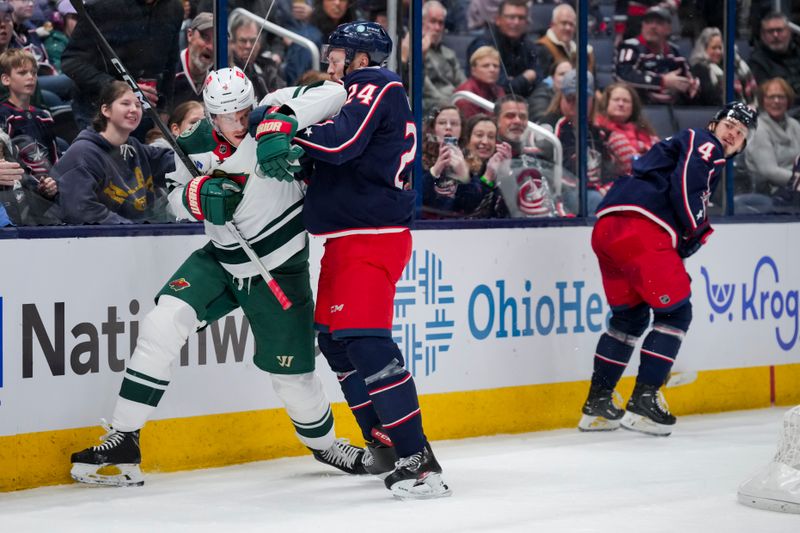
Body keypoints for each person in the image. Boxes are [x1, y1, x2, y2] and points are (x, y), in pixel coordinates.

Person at [69, 66, 367, 487]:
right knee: (161, 324)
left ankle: (325, 444)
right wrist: (196, 197)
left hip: (279, 269)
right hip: (221, 258)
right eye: (230, 116)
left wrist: (280, 126)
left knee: (292, 377)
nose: (241, 122)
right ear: (210, 115)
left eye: (245, 110)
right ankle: (126, 435)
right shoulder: (191, 144)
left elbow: (334, 92)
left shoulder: (271, 114)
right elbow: (172, 198)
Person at [251, 21, 451, 499]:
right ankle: (385, 440)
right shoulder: (358, 91)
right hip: (346, 239)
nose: (331, 60)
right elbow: (341, 154)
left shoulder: (374, 83)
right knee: (337, 344)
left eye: (337, 52)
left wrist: (288, 131)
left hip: (372, 237)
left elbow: (340, 142)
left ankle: (419, 459)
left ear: (360, 57)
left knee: (366, 344)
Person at [578, 102, 757, 436]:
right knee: (676, 314)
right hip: (642, 226)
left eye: (741, 133)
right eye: (731, 125)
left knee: (628, 320)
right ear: (714, 124)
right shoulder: (705, 143)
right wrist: (696, 230)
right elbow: (688, 184)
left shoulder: (687, 143)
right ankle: (644, 402)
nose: (733, 134)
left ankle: (598, 405)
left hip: (608, 226)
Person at [53, 81, 174, 224]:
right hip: (98, 242)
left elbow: (171, 163)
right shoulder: (83, 154)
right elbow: (82, 211)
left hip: (136, 238)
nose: (134, 109)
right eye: (125, 103)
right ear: (106, 110)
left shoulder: (134, 147)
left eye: (138, 105)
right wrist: (135, 231)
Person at [61, 0, 183, 132]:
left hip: (146, 112)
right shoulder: (102, 6)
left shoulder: (173, 8)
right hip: (98, 111)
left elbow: (171, 64)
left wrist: (163, 113)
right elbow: (71, 61)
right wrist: (119, 88)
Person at [0, 48, 60, 191]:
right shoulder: (4, 115)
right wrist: (36, 185)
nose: (30, 77)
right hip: (21, 190)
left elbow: (55, 158)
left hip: (50, 186)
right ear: (6, 79)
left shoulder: (44, 116)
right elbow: (7, 161)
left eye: (33, 73)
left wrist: (55, 183)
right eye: (22, 73)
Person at [615, 6, 698, 105]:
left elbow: (688, 77)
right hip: (640, 107)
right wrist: (662, 81)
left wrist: (690, 85)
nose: (653, 26)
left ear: (668, 29)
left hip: (671, 107)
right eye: (648, 22)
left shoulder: (674, 51)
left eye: (659, 23)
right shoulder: (630, 47)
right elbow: (624, 76)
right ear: (642, 26)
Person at [466, 0, 539, 98]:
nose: (516, 22)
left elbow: (539, 79)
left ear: (526, 22)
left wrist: (514, 81)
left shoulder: (528, 44)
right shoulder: (484, 45)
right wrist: (525, 78)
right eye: (511, 17)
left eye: (521, 18)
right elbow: (499, 87)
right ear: (498, 19)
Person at [743, 78, 800, 196]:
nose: (776, 101)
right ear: (763, 101)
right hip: (771, 192)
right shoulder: (759, 129)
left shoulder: (794, 125)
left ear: (788, 100)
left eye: (781, 97)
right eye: (771, 97)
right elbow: (769, 171)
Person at [594, 81, 659, 175]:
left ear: (633, 107)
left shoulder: (645, 132)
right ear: (606, 103)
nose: (621, 104)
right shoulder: (599, 130)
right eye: (616, 99)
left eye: (626, 101)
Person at [421, 105, 473, 217]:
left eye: (454, 123)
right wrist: (435, 170)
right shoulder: (419, 158)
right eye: (442, 122)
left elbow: (471, 205)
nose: (448, 127)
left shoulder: (471, 159)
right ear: (433, 128)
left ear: (462, 129)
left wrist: (464, 176)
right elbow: (418, 198)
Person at [689, 27, 757, 107]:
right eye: (714, 48)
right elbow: (712, 99)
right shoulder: (700, 69)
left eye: (720, 48)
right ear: (704, 49)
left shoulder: (729, 66)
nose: (718, 52)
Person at [748, 12, 800, 117]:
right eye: (770, 31)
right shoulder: (757, 62)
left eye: (780, 30)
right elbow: (768, 98)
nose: (775, 35)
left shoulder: (798, 53)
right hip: (782, 115)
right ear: (763, 35)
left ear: (789, 32)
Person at [228, 12, 285, 102]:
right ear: (232, 43)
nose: (248, 46)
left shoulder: (269, 67)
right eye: (243, 41)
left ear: (259, 42)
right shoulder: (228, 71)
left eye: (253, 40)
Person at [534, 4, 594, 80]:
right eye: (564, 23)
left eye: (571, 24)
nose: (568, 28)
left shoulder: (581, 50)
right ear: (552, 24)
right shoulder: (541, 48)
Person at [173, 11, 214, 111]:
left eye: (216, 40)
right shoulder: (170, 71)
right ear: (190, 35)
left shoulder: (222, 76)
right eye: (205, 37)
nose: (211, 47)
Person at [453, 45, 505, 120]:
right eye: (486, 66)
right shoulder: (466, 96)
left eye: (496, 66)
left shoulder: (499, 90)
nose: (492, 69)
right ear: (473, 70)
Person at [528, 58, 571, 124]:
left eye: (570, 74)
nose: (566, 78)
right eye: (562, 74)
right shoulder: (540, 96)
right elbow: (541, 123)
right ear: (553, 78)